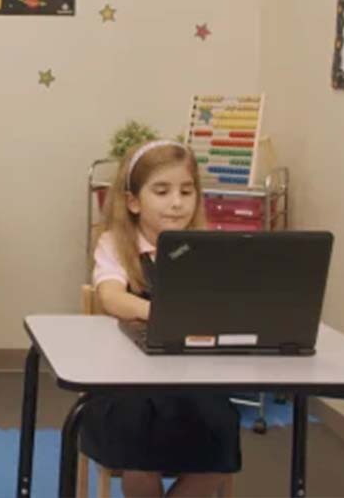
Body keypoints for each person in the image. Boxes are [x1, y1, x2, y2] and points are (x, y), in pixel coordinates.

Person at [83, 139, 240, 497]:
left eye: (186, 191)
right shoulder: (114, 244)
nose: (176, 202)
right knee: (138, 440)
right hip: (127, 385)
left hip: (191, 380)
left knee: (221, 431)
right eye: (162, 191)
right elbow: (111, 297)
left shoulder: (206, 247)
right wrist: (166, 314)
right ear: (134, 201)